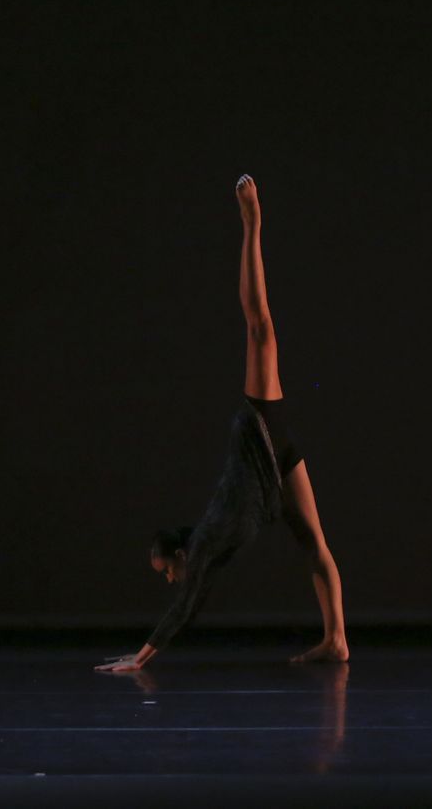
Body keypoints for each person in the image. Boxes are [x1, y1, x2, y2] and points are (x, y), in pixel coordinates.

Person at [96, 174, 348, 673]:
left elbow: (185, 608)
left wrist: (141, 658)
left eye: (167, 570)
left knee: (259, 326)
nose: (171, 579)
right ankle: (336, 640)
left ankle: (252, 224)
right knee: (314, 542)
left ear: (179, 555)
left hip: (260, 428)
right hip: (274, 465)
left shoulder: (206, 542)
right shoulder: (206, 541)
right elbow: (189, 599)